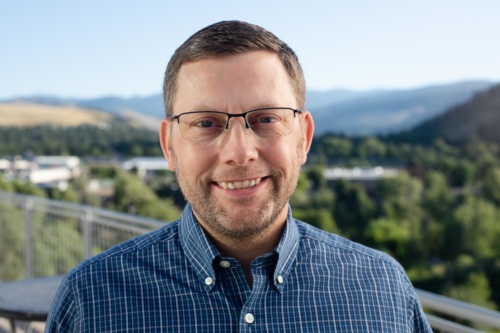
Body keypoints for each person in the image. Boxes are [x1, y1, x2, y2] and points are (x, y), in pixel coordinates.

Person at [45, 20, 432, 332]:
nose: (239, 152)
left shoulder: (382, 291)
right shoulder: (92, 298)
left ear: (304, 137)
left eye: (266, 119)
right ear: (168, 146)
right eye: (207, 123)